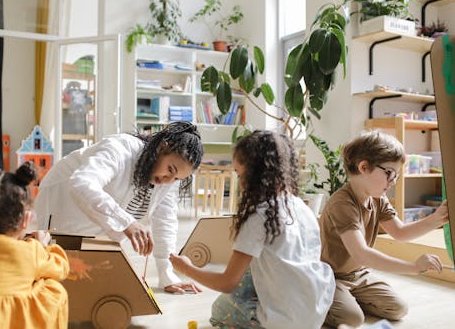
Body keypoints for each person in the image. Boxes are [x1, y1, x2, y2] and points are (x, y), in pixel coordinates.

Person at [170, 130, 335, 329]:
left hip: (283, 322)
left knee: (220, 311)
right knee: (252, 268)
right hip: (315, 313)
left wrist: (187, 268)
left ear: (255, 173)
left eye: (240, 174)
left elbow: (227, 283)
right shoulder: (302, 207)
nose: (240, 183)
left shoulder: (261, 217)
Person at [34, 121, 204, 293]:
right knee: (53, 271)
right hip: (61, 201)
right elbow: (82, 183)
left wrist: (166, 274)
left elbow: (165, 220)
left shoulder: (168, 180)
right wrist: (126, 222)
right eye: (170, 169)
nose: (168, 180)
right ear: (162, 147)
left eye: (176, 178)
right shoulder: (120, 149)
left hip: (100, 221)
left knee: (88, 280)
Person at [319, 130, 449, 328]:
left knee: (398, 309)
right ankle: (325, 297)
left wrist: (435, 219)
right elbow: (362, 254)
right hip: (331, 276)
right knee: (352, 319)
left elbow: (400, 232)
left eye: (396, 175)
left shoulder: (378, 198)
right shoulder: (342, 204)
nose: (393, 181)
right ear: (364, 167)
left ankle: (348, 299)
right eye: (389, 173)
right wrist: (413, 267)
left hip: (359, 275)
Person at [0, 153, 69, 329]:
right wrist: (44, 246)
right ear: (26, 220)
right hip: (9, 321)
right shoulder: (32, 251)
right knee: (54, 289)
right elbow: (61, 268)